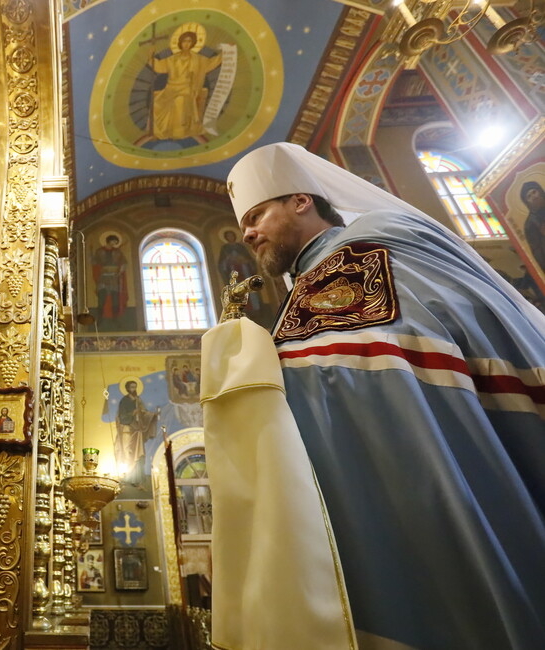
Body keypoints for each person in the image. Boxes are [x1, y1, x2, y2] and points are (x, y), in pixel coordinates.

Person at [220, 142, 545, 650]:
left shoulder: (358, 257)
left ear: (301, 201)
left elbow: (351, 373)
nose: (248, 232)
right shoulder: (344, 267)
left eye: (258, 214)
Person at [148, 30, 222, 142]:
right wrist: (151, 56)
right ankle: (163, 132)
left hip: (187, 89)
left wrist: (225, 54)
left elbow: (211, 63)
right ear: (180, 43)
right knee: (157, 103)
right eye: (184, 41)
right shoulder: (172, 59)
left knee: (180, 101)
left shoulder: (198, 60)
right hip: (171, 88)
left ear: (193, 43)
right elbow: (159, 66)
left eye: (189, 41)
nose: (186, 44)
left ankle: (179, 133)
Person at [114, 380, 158, 484]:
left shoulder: (138, 400)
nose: (134, 389)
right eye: (132, 387)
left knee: (139, 454)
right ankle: (128, 477)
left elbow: (143, 412)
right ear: (128, 389)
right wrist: (132, 413)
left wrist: (151, 415)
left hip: (137, 431)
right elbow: (121, 417)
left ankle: (139, 478)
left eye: (135, 387)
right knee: (128, 453)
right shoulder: (124, 401)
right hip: (127, 431)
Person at [91, 234, 128, 324]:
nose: (114, 243)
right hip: (103, 278)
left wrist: (120, 271)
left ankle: (115, 319)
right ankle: (100, 318)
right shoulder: (99, 251)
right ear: (109, 241)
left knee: (115, 300)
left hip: (114, 278)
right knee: (101, 299)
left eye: (116, 242)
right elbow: (94, 262)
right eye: (113, 241)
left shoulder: (118, 252)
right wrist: (90, 253)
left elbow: (124, 262)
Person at [520, 180, 545, 272]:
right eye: (529, 196)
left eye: (534, 192)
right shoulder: (530, 224)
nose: (533, 197)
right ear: (527, 203)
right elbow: (537, 252)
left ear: (540, 191)